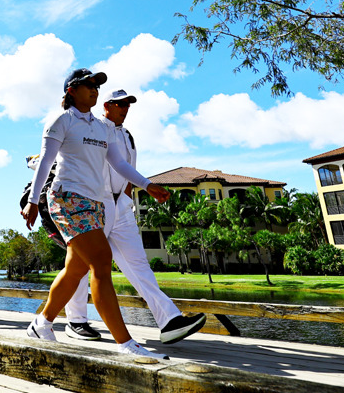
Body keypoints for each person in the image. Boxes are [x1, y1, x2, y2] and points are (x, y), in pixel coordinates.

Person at [21, 68, 173, 360]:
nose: (94, 89)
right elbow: (45, 162)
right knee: (102, 264)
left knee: (75, 269)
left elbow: (118, 163)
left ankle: (42, 323)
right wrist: (31, 200)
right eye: (88, 85)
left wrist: (147, 184)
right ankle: (126, 344)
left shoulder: (103, 128)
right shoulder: (60, 121)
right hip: (67, 198)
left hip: (96, 202)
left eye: (97, 86)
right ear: (71, 91)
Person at [61, 89, 206, 344]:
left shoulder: (127, 135)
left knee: (139, 264)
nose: (124, 108)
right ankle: (76, 320)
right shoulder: (93, 128)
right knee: (82, 264)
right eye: (119, 104)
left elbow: (127, 168)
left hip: (122, 205)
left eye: (128, 104)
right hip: (95, 201)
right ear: (106, 105)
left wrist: (131, 195)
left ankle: (169, 320)